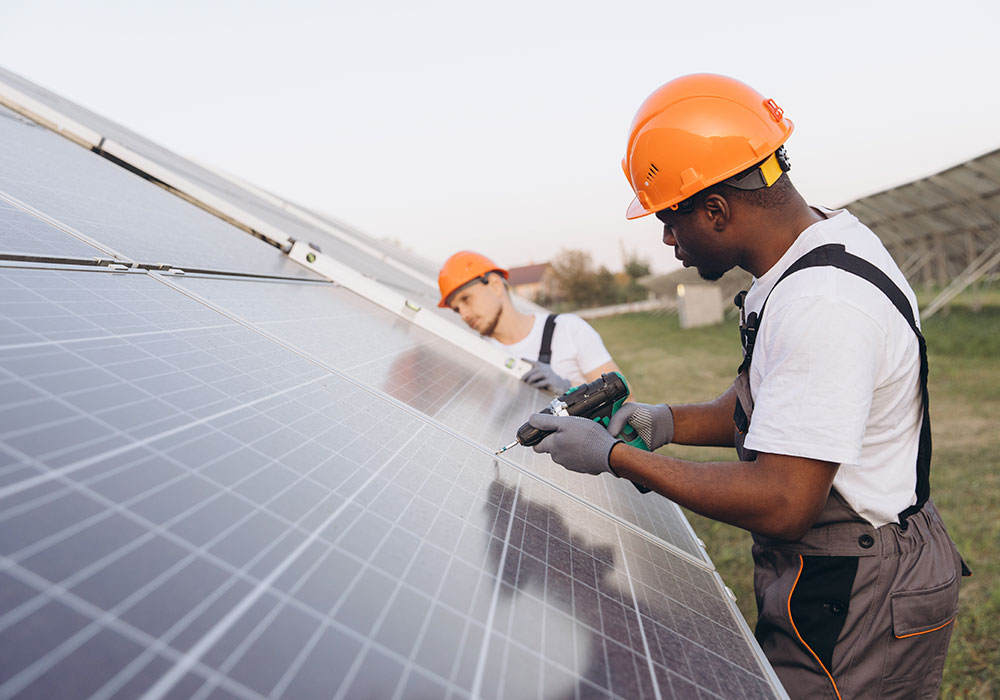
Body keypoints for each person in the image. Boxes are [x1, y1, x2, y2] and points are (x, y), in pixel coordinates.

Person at [528, 73, 967, 699]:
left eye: (671, 220)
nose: (666, 240)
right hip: (850, 567)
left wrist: (616, 458)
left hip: (861, 587)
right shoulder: (814, 251)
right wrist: (664, 421)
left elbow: (784, 500)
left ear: (716, 209)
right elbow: (783, 404)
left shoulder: (823, 303)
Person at [437, 250, 620, 393]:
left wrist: (570, 389)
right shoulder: (477, 358)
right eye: (457, 309)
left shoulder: (568, 329)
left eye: (466, 299)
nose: (464, 315)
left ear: (495, 285)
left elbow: (625, 399)